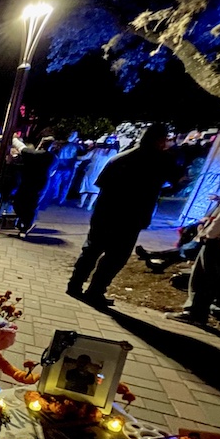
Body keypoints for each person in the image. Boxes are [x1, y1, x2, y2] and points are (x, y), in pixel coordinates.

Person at [67, 124, 182, 309]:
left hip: (105, 214)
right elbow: (179, 182)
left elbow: (102, 184)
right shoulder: (162, 160)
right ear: (160, 140)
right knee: (115, 257)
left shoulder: (120, 158)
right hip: (131, 218)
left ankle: (74, 285)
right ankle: (95, 291)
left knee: (92, 250)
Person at [165, 196, 220, 326]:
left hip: (217, 242)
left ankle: (194, 313)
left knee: (203, 277)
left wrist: (208, 234)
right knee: (211, 278)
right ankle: (199, 313)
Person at [11, 136, 55, 236]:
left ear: (41, 144)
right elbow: (53, 171)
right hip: (42, 183)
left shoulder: (34, 154)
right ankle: (25, 223)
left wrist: (14, 138)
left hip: (29, 182)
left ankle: (25, 225)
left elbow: (20, 147)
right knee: (32, 204)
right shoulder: (52, 157)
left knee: (20, 203)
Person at [77, 137, 120, 211]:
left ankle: (81, 203)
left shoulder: (97, 150)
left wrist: (76, 157)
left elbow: (85, 157)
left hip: (91, 171)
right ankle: (89, 205)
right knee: (96, 189)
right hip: (102, 172)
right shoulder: (114, 153)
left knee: (86, 187)